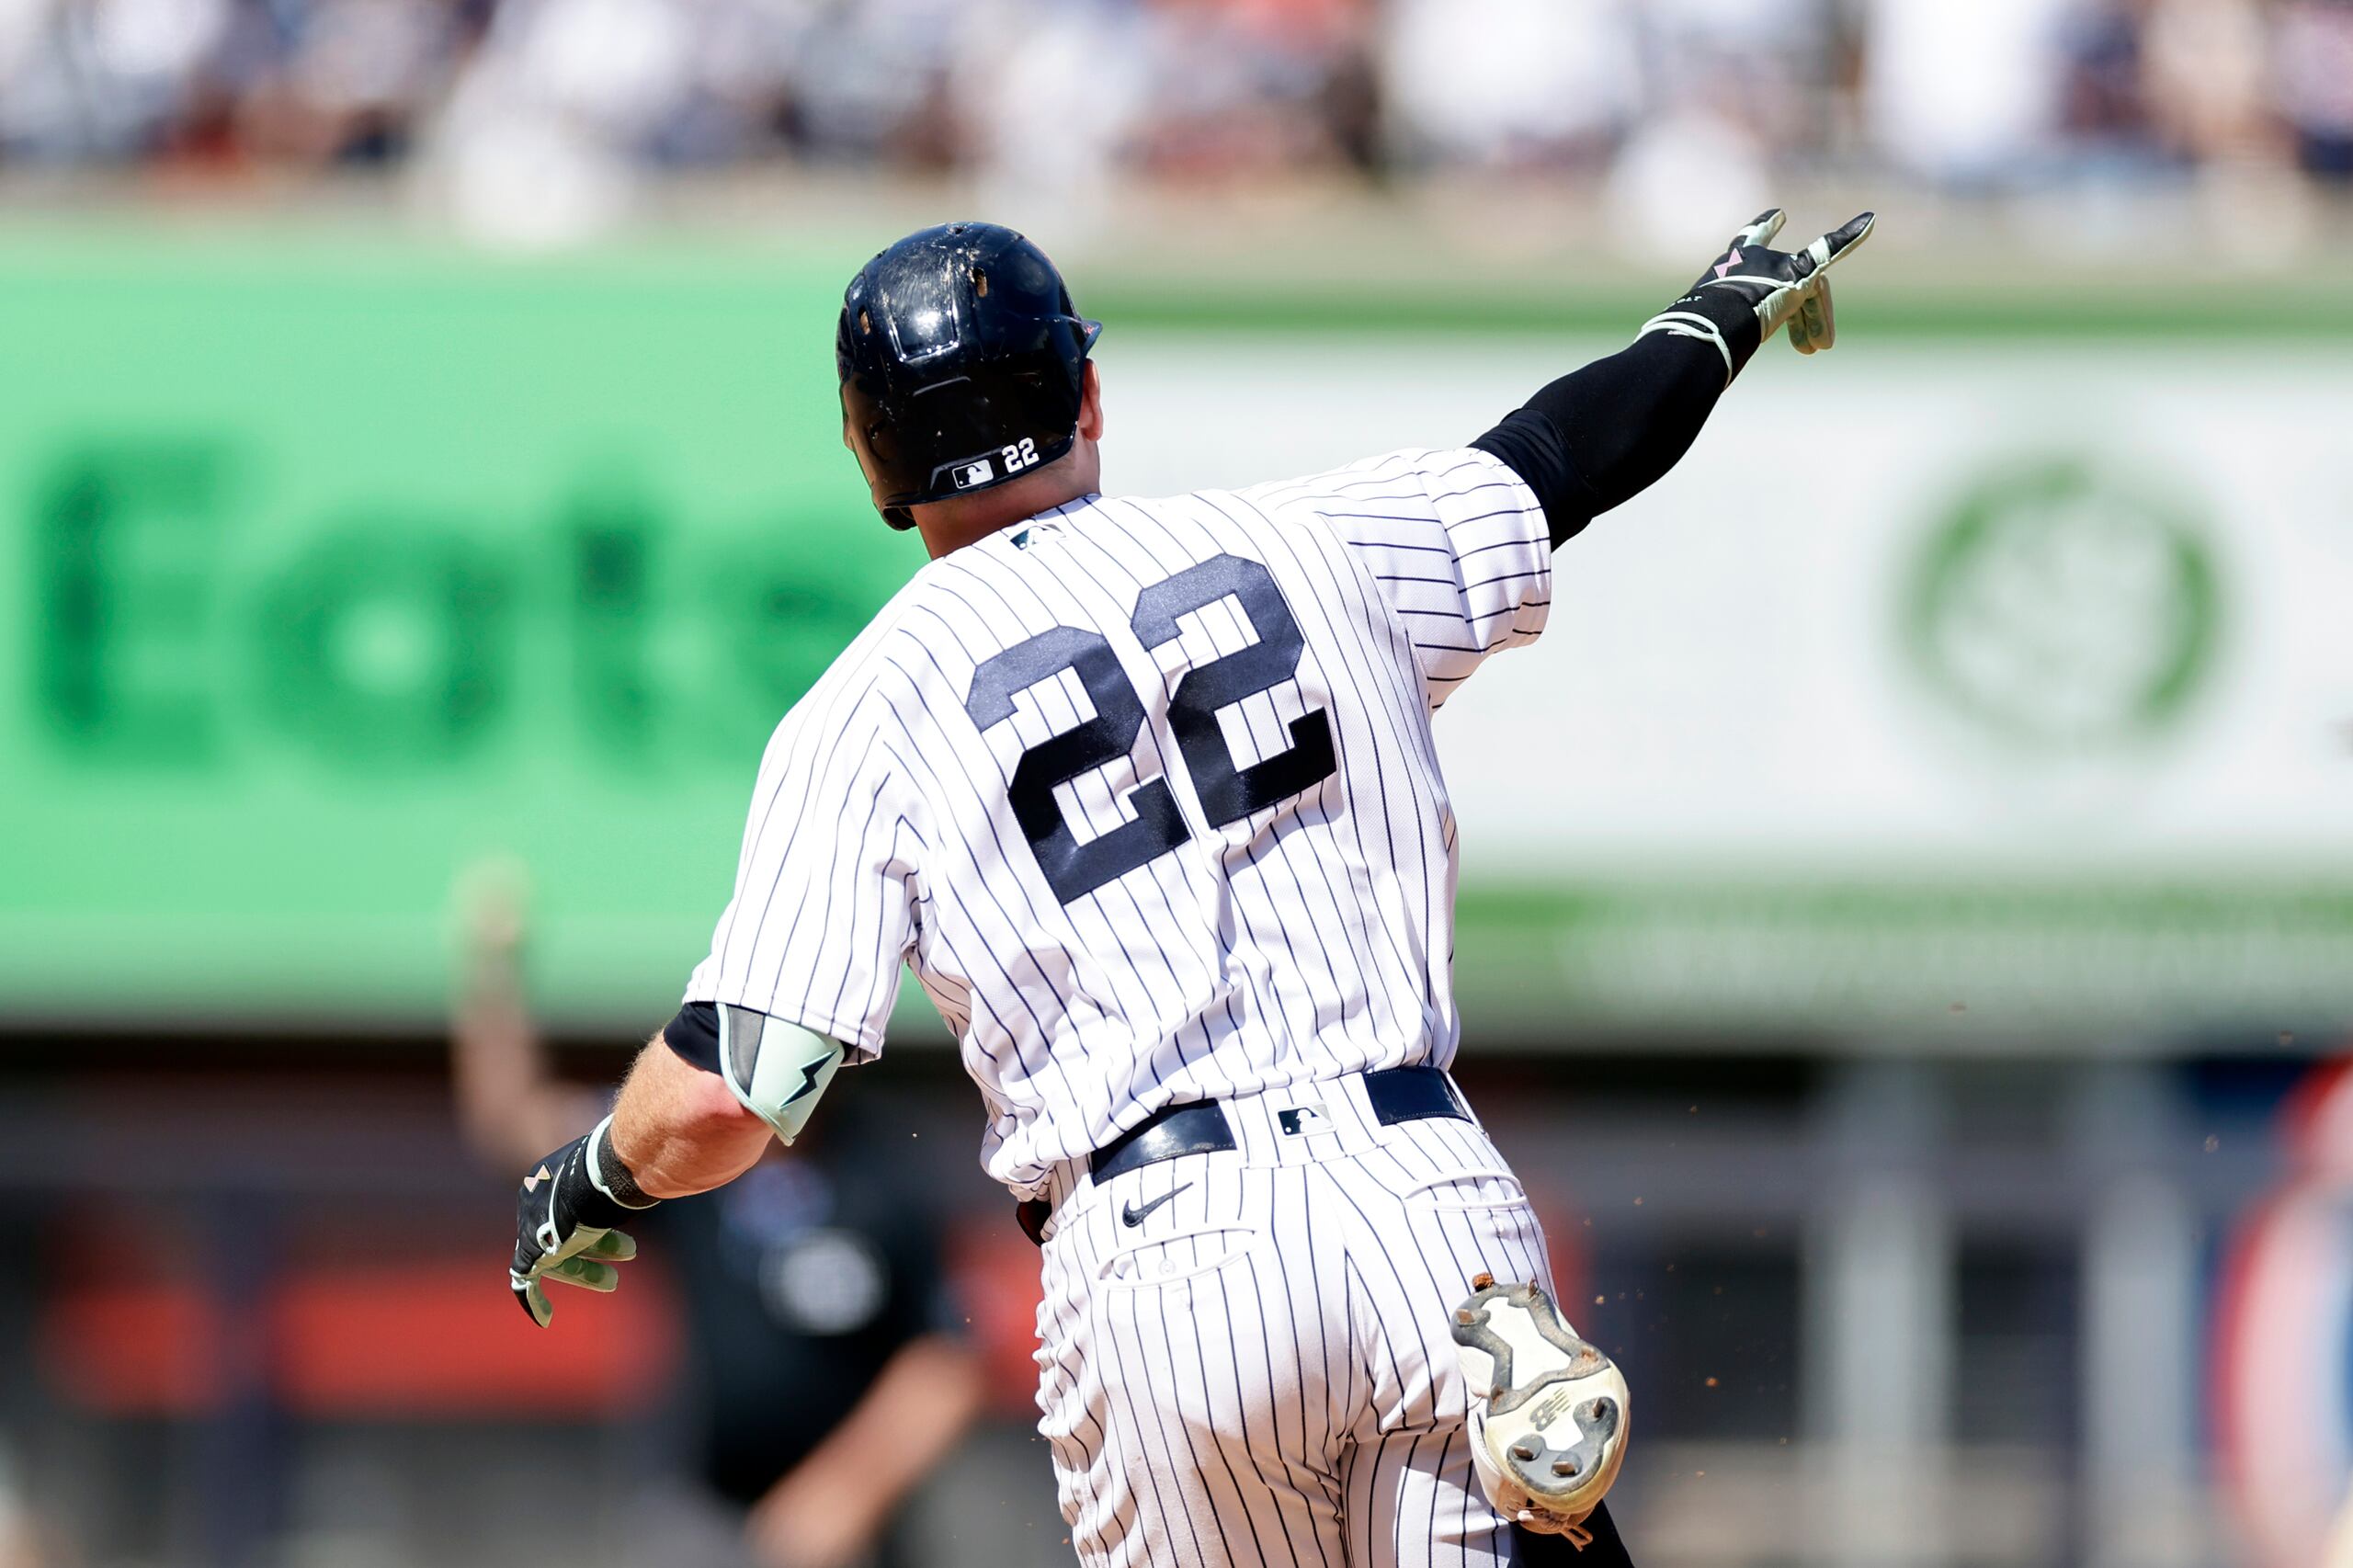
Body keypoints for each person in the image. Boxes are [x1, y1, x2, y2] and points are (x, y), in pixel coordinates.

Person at [503, 211, 1873, 1566]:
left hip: (1166, 1259)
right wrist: (1720, 316)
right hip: (1427, 1203)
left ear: (872, 460)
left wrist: (593, 1176)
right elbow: (1562, 457)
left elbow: (735, 1083)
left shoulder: (867, 708)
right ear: (1087, 388)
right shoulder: (1310, 538)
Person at [452, 865, 983, 1568]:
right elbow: (516, 1127)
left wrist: (846, 1491)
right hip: (703, 1519)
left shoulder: (883, 1167)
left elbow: (949, 1356)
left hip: (857, 1538)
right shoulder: (686, 1150)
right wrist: (493, 972)